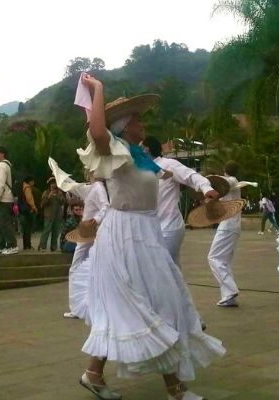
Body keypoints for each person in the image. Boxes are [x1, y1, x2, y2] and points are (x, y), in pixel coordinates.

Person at [76, 74, 223, 400]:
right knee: (153, 304)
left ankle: (94, 374)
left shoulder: (139, 155)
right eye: (137, 120)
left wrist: (203, 191)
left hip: (145, 231)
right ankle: (175, 389)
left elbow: (167, 180)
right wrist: (98, 89)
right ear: (124, 126)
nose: (143, 124)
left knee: (149, 304)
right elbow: (97, 131)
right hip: (124, 234)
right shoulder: (114, 150)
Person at [48, 158, 110, 320]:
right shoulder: (91, 187)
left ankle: (78, 307)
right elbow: (72, 185)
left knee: (77, 268)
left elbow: (105, 206)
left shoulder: (98, 187)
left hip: (90, 232)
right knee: (87, 268)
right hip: (88, 232)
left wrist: (96, 219)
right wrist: (56, 170)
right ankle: (85, 305)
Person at [142, 136, 217, 266]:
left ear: (146, 149)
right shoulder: (140, 169)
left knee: (164, 268)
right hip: (151, 228)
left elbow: (191, 176)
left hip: (169, 227)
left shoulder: (168, 164)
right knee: (170, 269)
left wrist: (206, 188)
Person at [206, 161, 245, 308]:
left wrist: (207, 181)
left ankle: (230, 290)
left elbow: (221, 182)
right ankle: (228, 296)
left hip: (228, 226)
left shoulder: (230, 181)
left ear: (225, 170)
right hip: (232, 225)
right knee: (224, 261)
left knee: (214, 257)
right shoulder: (232, 184)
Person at [0, 147, 18, 255]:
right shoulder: (8, 165)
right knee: (0, 223)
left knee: (5, 224)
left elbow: (0, 184)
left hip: (4, 199)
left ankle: (12, 246)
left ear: (2, 154)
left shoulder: (1, 165)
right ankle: (0, 246)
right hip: (9, 198)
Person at [38, 177, 65, 252]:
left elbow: (63, 202)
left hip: (58, 215)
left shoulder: (59, 193)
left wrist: (59, 196)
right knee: (46, 231)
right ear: (49, 185)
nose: (53, 185)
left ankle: (54, 247)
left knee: (56, 231)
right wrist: (48, 197)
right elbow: (42, 204)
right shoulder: (46, 192)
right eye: (52, 183)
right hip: (48, 215)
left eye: (55, 183)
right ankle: (42, 246)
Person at [19, 177, 38, 250]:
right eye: (32, 181)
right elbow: (29, 199)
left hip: (22, 211)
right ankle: (28, 245)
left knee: (25, 229)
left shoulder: (22, 187)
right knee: (28, 229)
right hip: (27, 211)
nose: (33, 183)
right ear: (29, 181)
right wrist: (34, 207)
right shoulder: (27, 188)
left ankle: (25, 245)